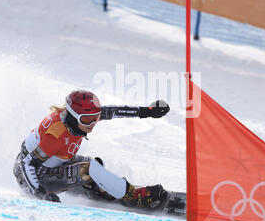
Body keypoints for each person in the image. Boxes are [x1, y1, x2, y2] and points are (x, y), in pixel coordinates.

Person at [13, 89, 170, 210]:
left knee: (95, 166)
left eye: (96, 117)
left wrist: (147, 111)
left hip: (52, 164)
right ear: (73, 116)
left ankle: (93, 190)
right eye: (88, 120)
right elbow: (26, 164)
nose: (93, 123)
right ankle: (133, 197)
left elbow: (112, 112)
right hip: (35, 178)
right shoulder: (56, 135)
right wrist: (41, 194)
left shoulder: (75, 118)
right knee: (89, 169)